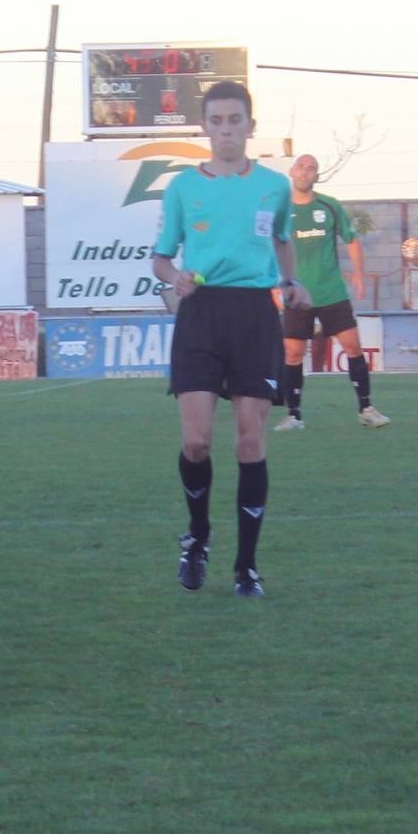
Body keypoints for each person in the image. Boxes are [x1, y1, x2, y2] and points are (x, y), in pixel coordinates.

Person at [151, 80, 312, 597]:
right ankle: (197, 536)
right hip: (200, 312)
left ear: (249, 126)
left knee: (249, 439)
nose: (225, 130)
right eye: (216, 121)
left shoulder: (273, 186)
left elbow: (282, 241)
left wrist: (290, 283)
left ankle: (246, 566)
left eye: (234, 120)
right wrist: (172, 276)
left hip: (253, 314)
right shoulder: (182, 187)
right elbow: (159, 256)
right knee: (196, 441)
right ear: (206, 127)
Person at [275, 153, 390, 431]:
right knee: (292, 353)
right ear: (292, 171)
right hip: (295, 293)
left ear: (316, 175)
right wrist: (273, 286)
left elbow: (351, 239)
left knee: (352, 346)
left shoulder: (329, 206)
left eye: (311, 168)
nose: (305, 172)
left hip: (331, 292)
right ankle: (294, 415)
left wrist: (359, 274)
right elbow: (268, 248)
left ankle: (366, 408)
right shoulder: (279, 211)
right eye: (301, 167)